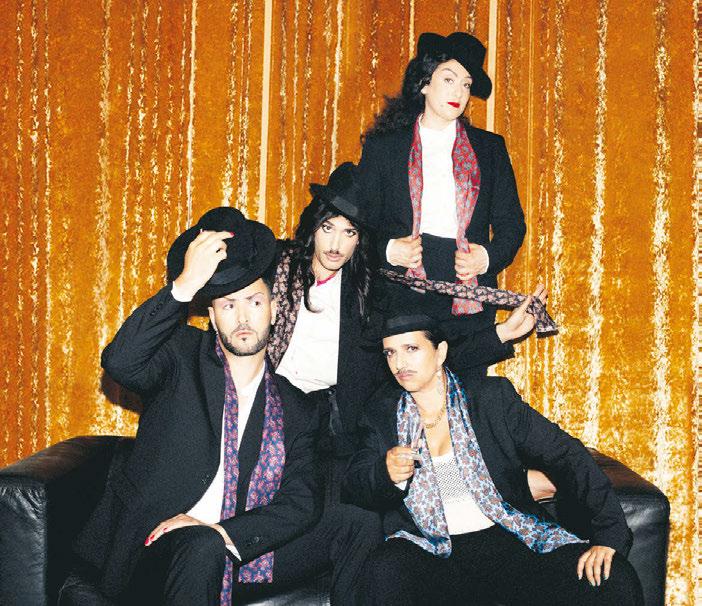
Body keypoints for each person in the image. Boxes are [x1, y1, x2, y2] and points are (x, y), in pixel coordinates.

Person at [71, 207, 380, 606]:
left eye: (254, 302)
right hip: (157, 550)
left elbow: (300, 504)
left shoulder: (296, 406)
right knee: (202, 547)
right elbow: (120, 362)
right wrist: (183, 287)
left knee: (357, 523)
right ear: (213, 318)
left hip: (235, 547)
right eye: (228, 306)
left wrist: (225, 532)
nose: (243, 318)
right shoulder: (180, 358)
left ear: (274, 309)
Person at [267, 163, 543, 501]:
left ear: (360, 239)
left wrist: (500, 334)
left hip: (333, 427)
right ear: (314, 226)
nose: (336, 244)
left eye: (349, 232)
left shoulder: (371, 295)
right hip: (269, 408)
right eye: (328, 228)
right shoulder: (277, 266)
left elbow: (427, 351)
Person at [343, 313, 643, 606]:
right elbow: (354, 483)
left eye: (411, 348)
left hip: (507, 536)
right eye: (390, 353)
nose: (399, 363)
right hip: (431, 549)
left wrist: (608, 534)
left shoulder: (490, 399)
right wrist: (385, 473)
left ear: (440, 352)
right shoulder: (381, 414)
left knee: (614, 579)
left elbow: (567, 454)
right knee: (384, 571)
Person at [358, 32, 526, 378]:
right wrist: (389, 250)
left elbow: (512, 224)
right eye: (449, 79)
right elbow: (360, 224)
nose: (458, 93)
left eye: (466, 85)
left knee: (465, 391)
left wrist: (487, 257)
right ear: (424, 83)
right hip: (402, 286)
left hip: (467, 288)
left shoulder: (489, 149)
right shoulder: (384, 148)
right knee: (405, 393)